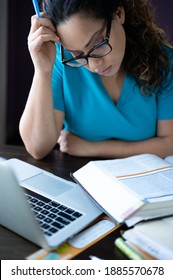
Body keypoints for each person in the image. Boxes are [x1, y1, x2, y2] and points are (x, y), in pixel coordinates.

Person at [19, 0, 173, 160]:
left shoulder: (164, 62)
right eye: (77, 54)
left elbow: (170, 145)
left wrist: (91, 148)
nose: (93, 64)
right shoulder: (61, 61)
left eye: (98, 43)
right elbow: (37, 148)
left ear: (119, 13)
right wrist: (42, 71)